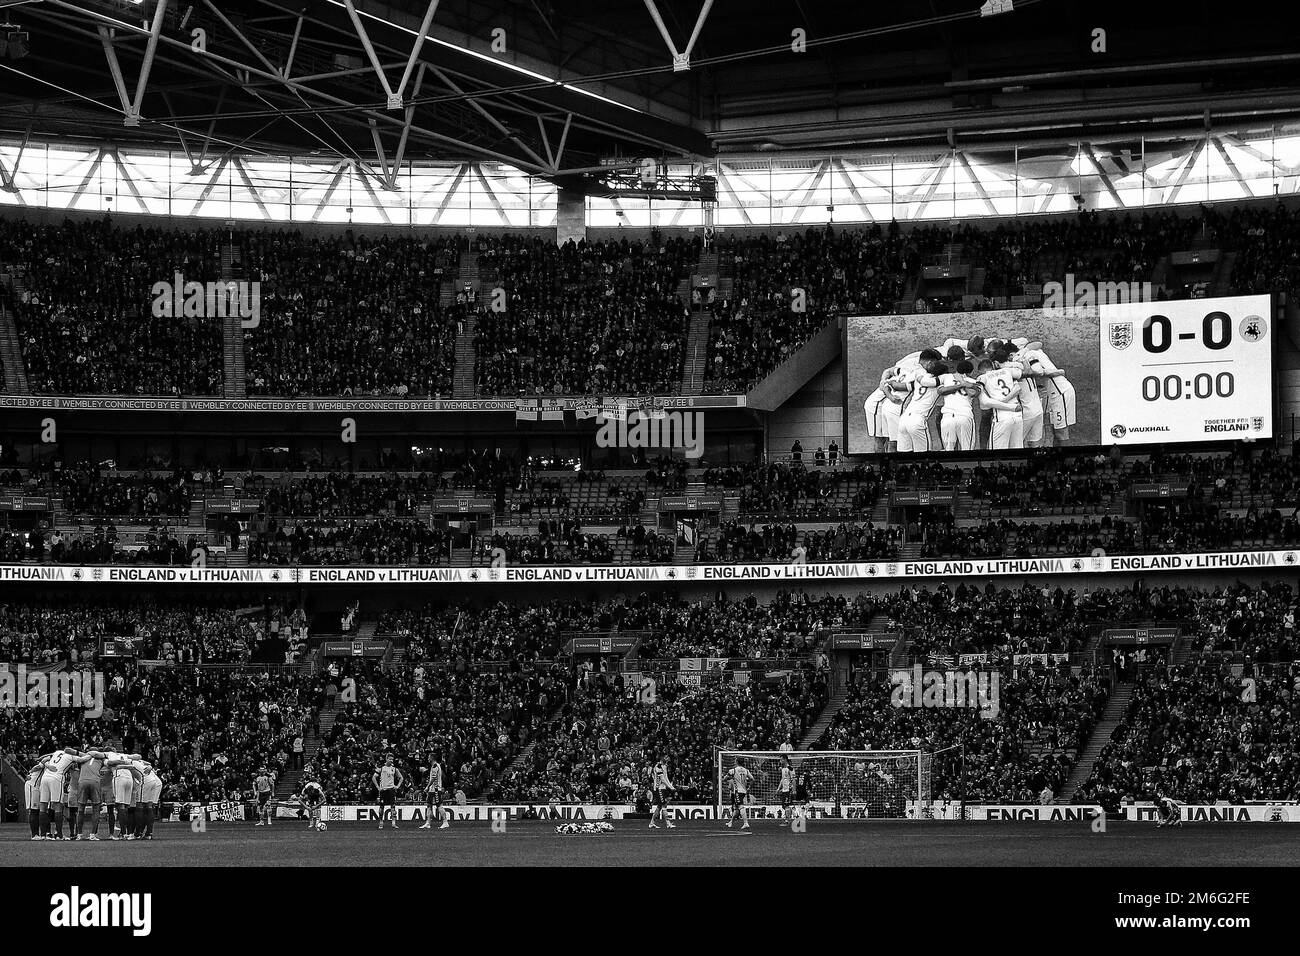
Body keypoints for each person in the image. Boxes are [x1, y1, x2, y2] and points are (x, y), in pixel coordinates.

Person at [373, 754, 403, 830]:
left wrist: (397, 786)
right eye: (389, 759)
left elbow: (401, 778)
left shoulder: (394, 769)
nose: (391, 761)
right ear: (386, 759)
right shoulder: (382, 768)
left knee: (393, 807)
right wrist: (378, 787)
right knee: (381, 807)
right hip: (383, 790)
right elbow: (374, 777)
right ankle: (381, 822)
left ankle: (393, 823)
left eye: (392, 759)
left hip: (391, 790)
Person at [419, 757, 450, 830]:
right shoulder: (435, 766)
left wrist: (427, 787)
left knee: (439, 805)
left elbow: (433, 778)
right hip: (432, 790)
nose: (428, 758)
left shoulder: (435, 766)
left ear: (432, 758)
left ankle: (445, 822)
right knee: (429, 806)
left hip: (435, 789)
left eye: (429, 757)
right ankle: (428, 823)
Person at [723, 758, 754, 831]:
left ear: (736, 762)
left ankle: (746, 823)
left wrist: (728, 778)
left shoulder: (733, 770)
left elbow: (725, 778)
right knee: (736, 807)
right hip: (743, 791)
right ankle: (731, 822)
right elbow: (752, 779)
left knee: (740, 806)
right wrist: (749, 788)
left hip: (737, 791)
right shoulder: (746, 770)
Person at [648, 757, 677, 830]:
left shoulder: (664, 766)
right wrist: (670, 787)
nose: (667, 761)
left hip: (663, 788)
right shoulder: (658, 767)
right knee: (663, 805)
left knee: (660, 806)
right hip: (658, 788)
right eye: (666, 759)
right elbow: (662, 779)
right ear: (662, 760)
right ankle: (668, 823)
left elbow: (666, 778)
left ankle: (652, 823)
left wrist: (671, 786)